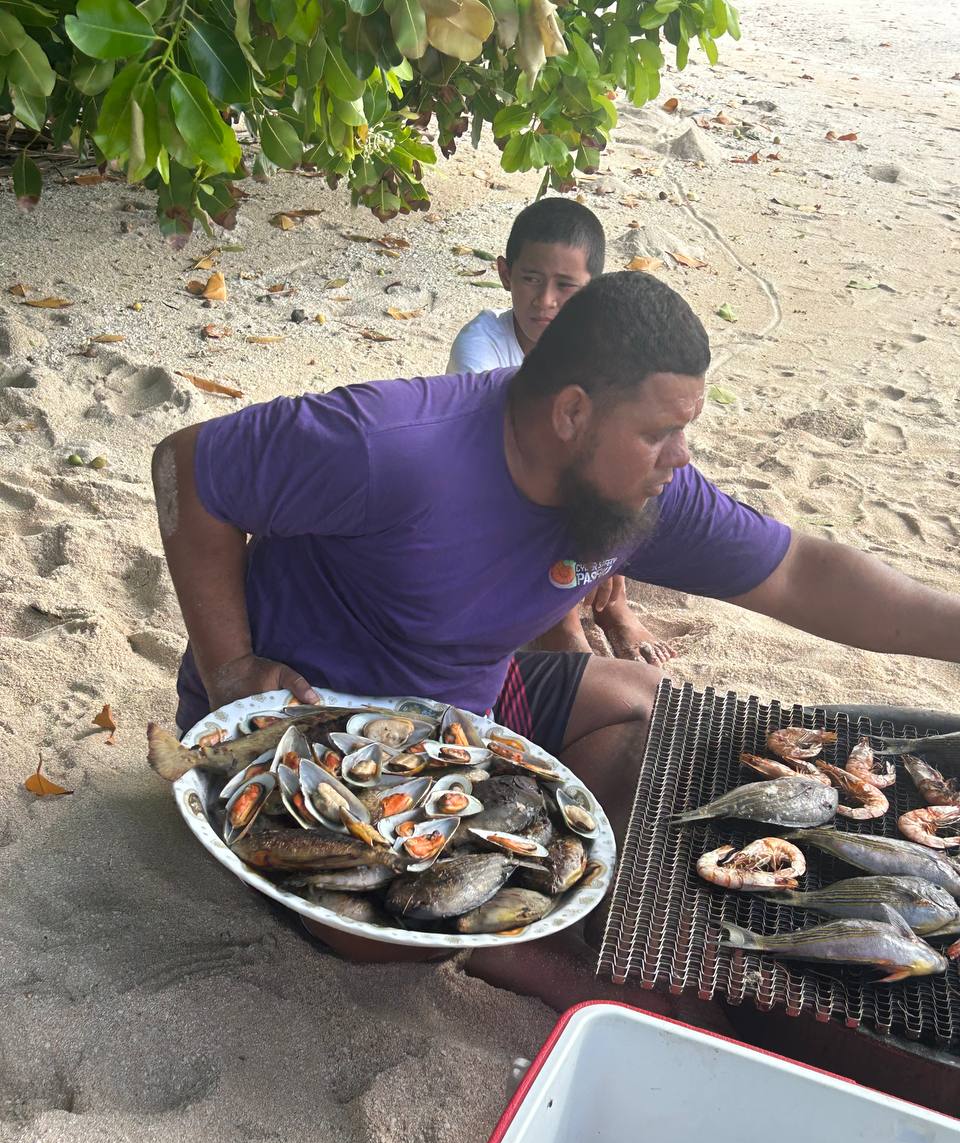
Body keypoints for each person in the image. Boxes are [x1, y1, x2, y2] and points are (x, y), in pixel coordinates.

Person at [153, 271, 960, 852]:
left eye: (686, 430)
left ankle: (535, 837)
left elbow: (801, 572)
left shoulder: (645, 488)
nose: (680, 457)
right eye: (657, 432)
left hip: (460, 712)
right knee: (401, 934)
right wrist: (229, 668)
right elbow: (186, 468)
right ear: (572, 412)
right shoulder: (389, 446)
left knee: (650, 703)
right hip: (303, 733)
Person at [447, 198, 674, 667]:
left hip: (567, 502)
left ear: (593, 290)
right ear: (506, 273)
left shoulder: (607, 350)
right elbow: (507, 462)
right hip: (493, 494)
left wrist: (604, 551)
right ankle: (565, 619)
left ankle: (614, 607)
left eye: (565, 286)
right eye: (531, 279)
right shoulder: (481, 347)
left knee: (634, 459)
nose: (545, 301)